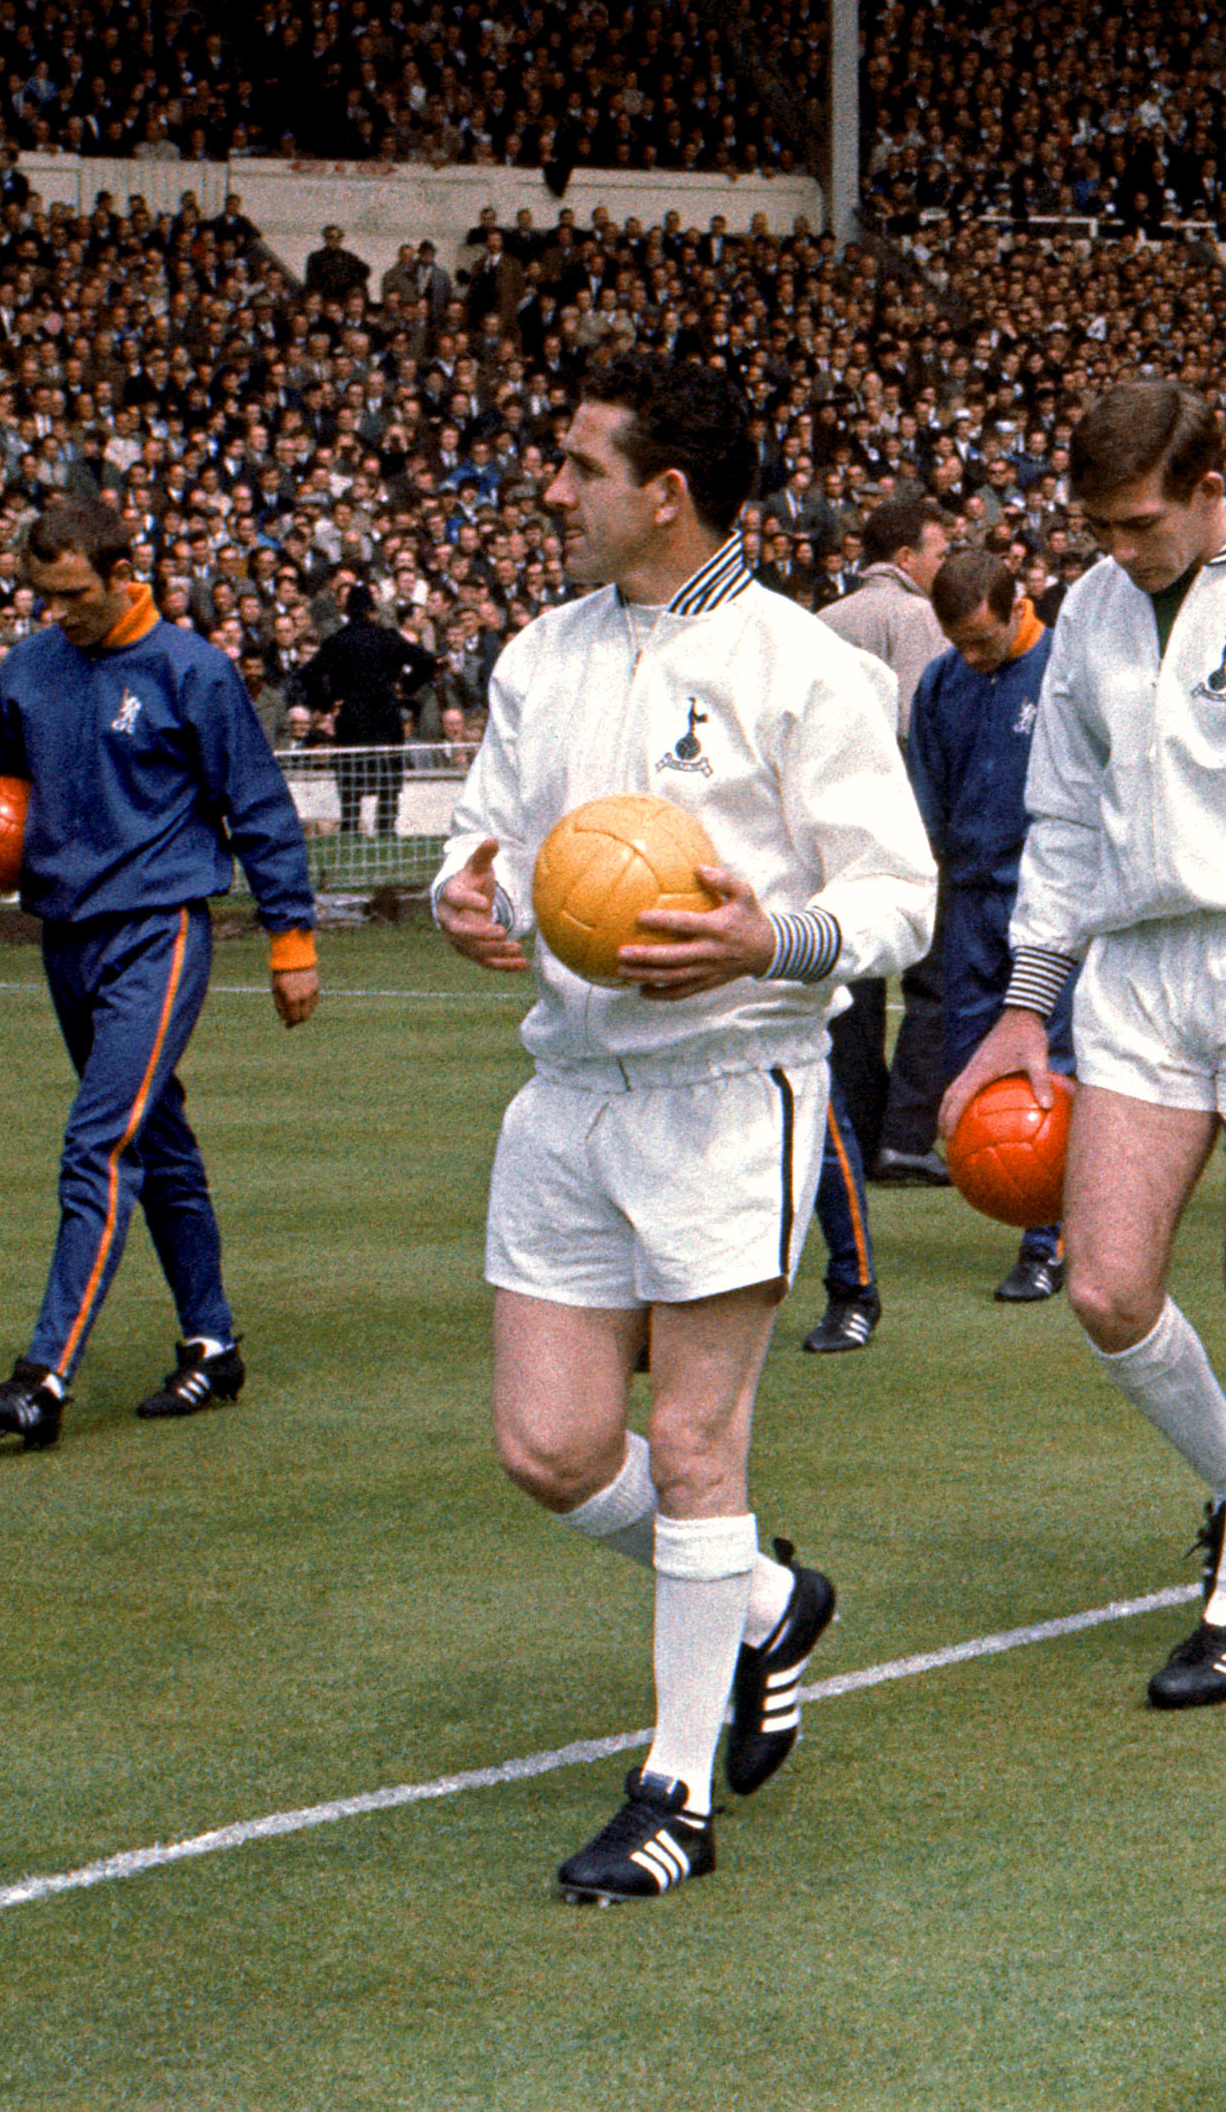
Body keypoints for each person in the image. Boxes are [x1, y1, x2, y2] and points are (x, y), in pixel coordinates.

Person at [427, 351, 935, 1901]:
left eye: (584, 467)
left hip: (731, 1093)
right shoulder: (541, 655)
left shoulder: (802, 667)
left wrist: (760, 942)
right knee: (553, 1446)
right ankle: (771, 1603)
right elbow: (492, 838)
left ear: (669, 493)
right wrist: (473, 893)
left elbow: (898, 899)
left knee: (701, 1443)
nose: (559, 491)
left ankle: (676, 1788)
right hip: (569, 1095)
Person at [937, 377, 1226, 1712]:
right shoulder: (1087, 612)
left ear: (1214, 489)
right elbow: (1067, 822)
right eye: (1096, 527)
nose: (1119, 550)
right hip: (1139, 974)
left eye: (1140, 523)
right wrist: (1026, 1005)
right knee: (1105, 1290)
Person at [0, 493, 323, 1446]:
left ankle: (44, 1377)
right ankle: (212, 1347)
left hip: (160, 931)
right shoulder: (32, 667)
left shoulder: (192, 671)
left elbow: (257, 807)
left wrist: (291, 941)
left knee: (97, 1140)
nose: (59, 613)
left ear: (124, 572)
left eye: (75, 595)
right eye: (43, 597)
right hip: (64, 932)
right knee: (157, 1140)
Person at [909, 541, 1072, 1305]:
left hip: (1053, 907)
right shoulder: (941, 681)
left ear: (1018, 608)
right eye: (957, 643)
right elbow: (925, 798)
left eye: (982, 638)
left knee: (1053, 1067)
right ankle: (1020, 1198)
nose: (971, 656)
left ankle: (1050, 1239)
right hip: (972, 906)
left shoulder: (1065, 673)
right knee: (976, 1075)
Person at [819, 489, 956, 1212]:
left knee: (853, 991)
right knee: (932, 985)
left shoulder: (822, 619)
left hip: (828, 835)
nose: (945, 565)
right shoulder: (915, 616)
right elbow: (916, 728)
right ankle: (904, 1137)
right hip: (903, 825)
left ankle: (852, 1127)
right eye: (939, 552)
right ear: (905, 558)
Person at [294, 580, 441, 841]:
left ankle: (350, 827)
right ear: (372, 611)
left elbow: (308, 674)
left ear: (347, 612)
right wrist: (406, 688)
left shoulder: (338, 641)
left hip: (352, 715)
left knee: (351, 775)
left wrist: (327, 703)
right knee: (389, 776)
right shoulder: (388, 638)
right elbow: (427, 661)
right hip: (386, 713)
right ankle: (386, 827)